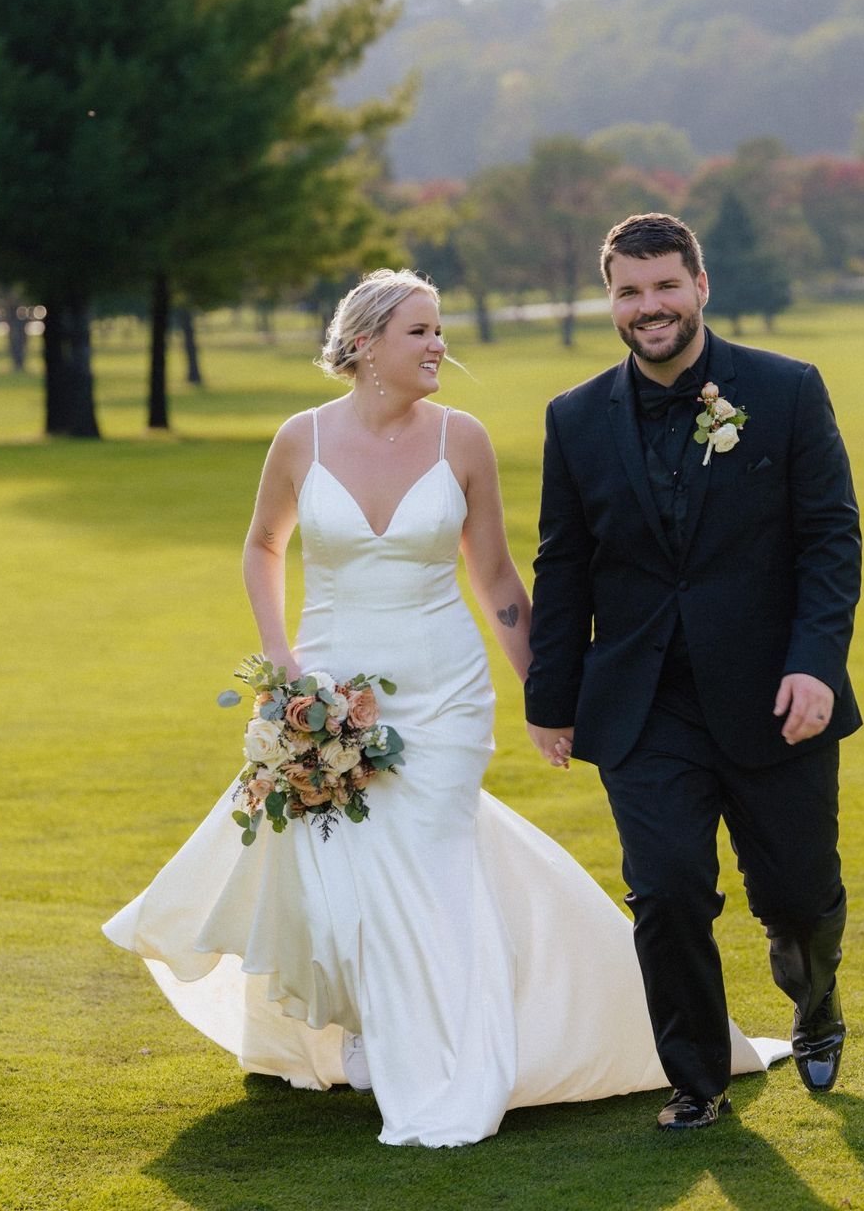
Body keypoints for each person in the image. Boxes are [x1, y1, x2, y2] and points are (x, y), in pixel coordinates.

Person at [102, 269, 786, 1148]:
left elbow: (497, 578)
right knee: (346, 877)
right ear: (364, 348)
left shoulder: (463, 440)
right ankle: (380, 1034)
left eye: (439, 331)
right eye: (420, 332)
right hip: (332, 689)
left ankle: (453, 1063)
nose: (438, 348)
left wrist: (550, 696)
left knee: (426, 865)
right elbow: (264, 545)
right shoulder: (299, 440)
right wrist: (284, 667)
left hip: (444, 693)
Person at [525, 213, 862, 1131]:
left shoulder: (787, 391)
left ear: (700, 286)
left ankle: (816, 999)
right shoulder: (573, 418)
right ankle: (698, 1081)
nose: (649, 307)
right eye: (629, 292)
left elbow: (831, 537)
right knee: (667, 889)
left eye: (665, 286)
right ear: (611, 300)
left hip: (774, 694)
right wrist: (550, 700)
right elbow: (563, 566)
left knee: (795, 893)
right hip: (642, 703)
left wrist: (816, 666)